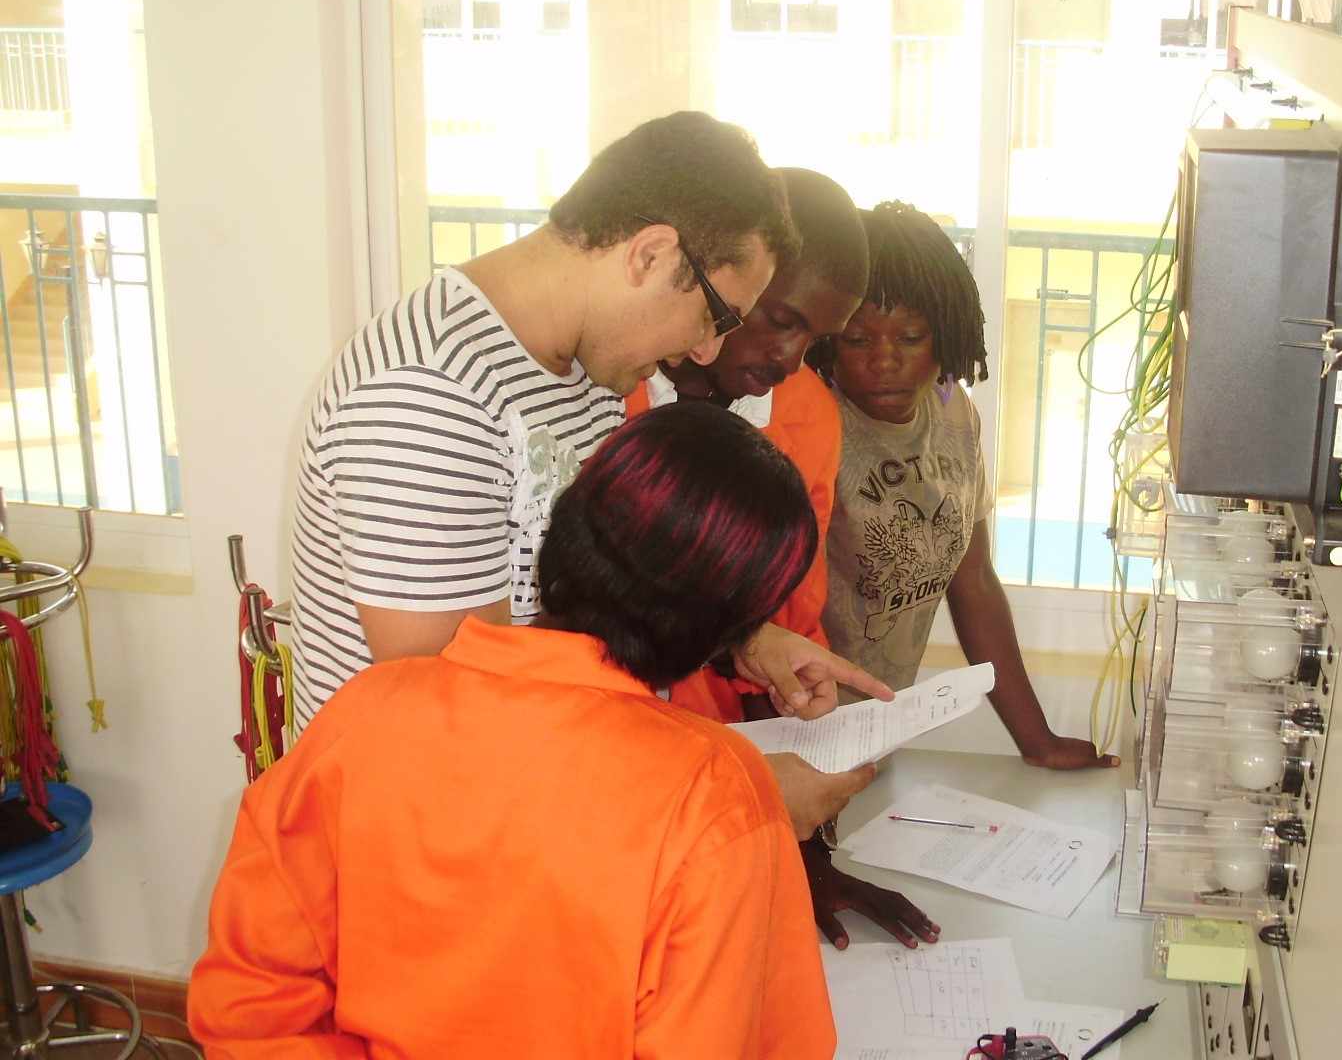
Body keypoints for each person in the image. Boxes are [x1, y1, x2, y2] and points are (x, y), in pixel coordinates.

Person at [288, 112, 889, 837]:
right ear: (650, 254)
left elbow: (601, 602)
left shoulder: (582, 370)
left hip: (531, 817)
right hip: (417, 851)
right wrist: (728, 789)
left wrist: (745, 639)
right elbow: (455, 709)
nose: (704, 352)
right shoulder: (427, 394)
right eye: (714, 316)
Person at [190, 403, 837, 1059]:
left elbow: (247, 1011)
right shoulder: (718, 795)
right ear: (726, 632)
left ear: (561, 530)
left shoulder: (362, 717)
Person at [626, 173, 942, 954]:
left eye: (815, 340)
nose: (792, 356)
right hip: (621, 802)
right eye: (779, 321)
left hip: (732, 798)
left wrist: (799, 851)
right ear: (729, 279)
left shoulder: (804, 414)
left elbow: (788, 645)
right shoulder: (613, 397)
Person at [814, 201, 1119, 766]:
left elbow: (973, 579)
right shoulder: (808, 425)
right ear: (828, 337)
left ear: (947, 335)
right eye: (858, 340)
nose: (885, 360)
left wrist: (1038, 741)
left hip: (873, 735)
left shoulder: (954, 411)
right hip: (795, 732)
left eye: (911, 337)